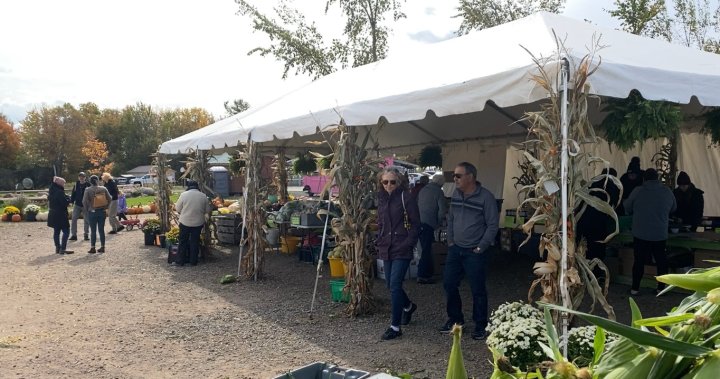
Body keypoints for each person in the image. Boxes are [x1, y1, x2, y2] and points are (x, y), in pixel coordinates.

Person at [441, 162, 499, 340]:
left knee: (477, 289)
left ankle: (480, 324)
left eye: (458, 176)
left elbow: (492, 224)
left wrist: (482, 246)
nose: (455, 179)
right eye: (454, 176)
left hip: (474, 251)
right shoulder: (456, 195)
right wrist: (450, 240)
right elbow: (451, 218)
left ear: (471, 177)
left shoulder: (486, 197)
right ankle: (456, 319)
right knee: (449, 284)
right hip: (455, 249)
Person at [375, 167, 420, 340]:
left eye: (392, 182)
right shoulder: (382, 198)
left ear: (399, 182)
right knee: (389, 285)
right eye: (385, 182)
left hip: (401, 247)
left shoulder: (405, 197)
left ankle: (395, 326)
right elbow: (381, 223)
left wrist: (407, 243)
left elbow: (416, 224)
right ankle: (408, 306)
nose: (388, 185)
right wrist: (379, 239)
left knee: (394, 285)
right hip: (386, 246)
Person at [623, 168, 676, 296]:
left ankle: (635, 289)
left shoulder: (638, 191)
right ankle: (661, 288)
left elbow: (627, 207)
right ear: (657, 178)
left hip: (640, 232)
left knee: (639, 261)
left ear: (644, 179)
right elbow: (673, 208)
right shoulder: (667, 191)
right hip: (659, 233)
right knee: (661, 261)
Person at [575, 168, 620, 281]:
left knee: (582, 247)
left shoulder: (592, 183)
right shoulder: (613, 187)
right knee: (597, 249)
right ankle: (595, 274)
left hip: (582, 219)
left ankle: (580, 272)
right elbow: (616, 205)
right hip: (598, 223)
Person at [416, 173, 447, 284]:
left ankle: (425, 273)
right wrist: (438, 223)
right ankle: (423, 275)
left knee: (423, 249)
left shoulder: (423, 190)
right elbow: (442, 210)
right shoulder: (439, 192)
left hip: (419, 222)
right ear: (441, 183)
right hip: (429, 223)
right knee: (426, 250)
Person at [174, 180, 211, 266]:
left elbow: (178, 208)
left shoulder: (183, 195)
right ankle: (193, 261)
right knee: (195, 241)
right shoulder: (203, 196)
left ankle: (180, 261)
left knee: (183, 241)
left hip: (185, 222)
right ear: (197, 187)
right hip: (198, 223)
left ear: (188, 186)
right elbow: (207, 210)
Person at [82, 175, 112, 254]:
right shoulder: (103, 188)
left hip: (92, 212)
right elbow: (110, 199)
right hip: (102, 212)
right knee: (101, 230)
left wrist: (86, 210)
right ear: (98, 180)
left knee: (93, 231)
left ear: (90, 181)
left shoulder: (88, 190)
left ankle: (93, 248)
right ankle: (102, 247)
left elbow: (84, 201)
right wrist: (106, 207)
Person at [47, 176, 74, 255]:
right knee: (66, 231)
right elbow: (64, 203)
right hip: (60, 214)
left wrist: (65, 197)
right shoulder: (59, 191)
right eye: (63, 183)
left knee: (56, 231)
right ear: (60, 184)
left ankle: (57, 248)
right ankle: (63, 248)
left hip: (53, 213)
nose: (64, 185)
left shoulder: (51, 191)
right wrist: (69, 199)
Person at [69, 172, 90, 241]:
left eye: (83, 176)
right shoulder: (76, 184)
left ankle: (86, 235)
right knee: (74, 219)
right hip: (77, 204)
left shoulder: (88, 185)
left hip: (85, 205)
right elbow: (73, 193)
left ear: (85, 177)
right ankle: (74, 235)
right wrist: (71, 201)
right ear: (78, 177)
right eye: (80, 176)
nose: (81, 178)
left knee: (86, 220)